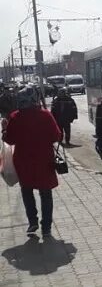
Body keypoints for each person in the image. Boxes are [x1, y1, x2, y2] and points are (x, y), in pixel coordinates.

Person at [1, 85, 62, 237]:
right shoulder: (45, 115)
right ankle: (46, 226)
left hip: (23, 161)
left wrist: (4, 129)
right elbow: (56, 136)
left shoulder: (15, 116)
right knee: (45, 193)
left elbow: (9, 140)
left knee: (27, 191)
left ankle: (32, 222)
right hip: (44, 160)